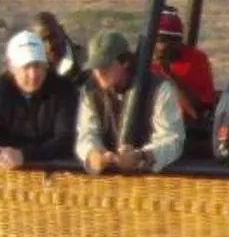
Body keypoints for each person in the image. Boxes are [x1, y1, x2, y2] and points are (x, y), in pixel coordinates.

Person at [0, 29, 79, 169]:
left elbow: (65, 142)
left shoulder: (63, 89)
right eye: (26, 67)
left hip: (55, 173)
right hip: (13, 175)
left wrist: (24, 155)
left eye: (38, 66)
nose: (33, 74)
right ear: (11, 68)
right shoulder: (3, 88)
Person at [76, 29, 185, 174]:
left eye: (105, 66)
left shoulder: (160, 89)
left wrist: (141, 156)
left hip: (153, 181)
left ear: (125, 62)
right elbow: (86, 132)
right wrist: (94, 154)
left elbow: (173, 140)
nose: (98, 73)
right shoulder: (90, 91)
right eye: (95, 67)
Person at [151, 7, 217, 132]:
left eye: (162, 40)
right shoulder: (145, 61)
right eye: (155, 40)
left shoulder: (196, 60)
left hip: (186, 128)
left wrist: (169, 74)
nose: (159, 47)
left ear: (178, 41)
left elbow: (197, 112)